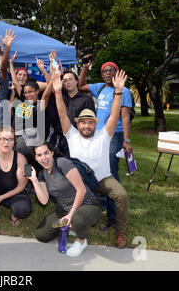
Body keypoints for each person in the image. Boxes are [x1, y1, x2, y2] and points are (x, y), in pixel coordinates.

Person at [53, 69, 130, 248]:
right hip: (80, 181)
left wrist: (118, 91)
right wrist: (57, 92)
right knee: (66, 198)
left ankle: (120, 231)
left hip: (102, 178)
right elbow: (62, 114)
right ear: (77, 124)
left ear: (95, 124)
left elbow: (114, 114)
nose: (86, 126)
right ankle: (70, 221)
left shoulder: (104, 135)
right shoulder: (71, 134)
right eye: (83, 122)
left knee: (122, 195)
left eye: (90, 122)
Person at [78, 58, 133, 229]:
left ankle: (114, 217)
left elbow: (125, 117)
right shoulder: (99, 88)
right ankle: (99, 204)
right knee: (95, 170)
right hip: (97, 136)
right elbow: (80, 86)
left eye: (112, 70)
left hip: (114, 137)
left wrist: (127, 140)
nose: (108, 73)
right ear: (102, 74)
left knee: (110, 174)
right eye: (105, 71)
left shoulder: (124, 91)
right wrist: (85, 68)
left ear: (117, 73)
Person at [27, 142, 101, 257]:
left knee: (78, 219)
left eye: (46, 153)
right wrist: (34, 180)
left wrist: (71, 214)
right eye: (39, 155)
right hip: (64, 209)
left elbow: (81, 190)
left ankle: (81, 240)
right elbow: (44, 200)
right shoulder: (42, 174)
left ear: (52, 153)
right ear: (35, 158)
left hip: (87, 205)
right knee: (42, 235)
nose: (44, 158)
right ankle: (72, 226)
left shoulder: (62, 163)